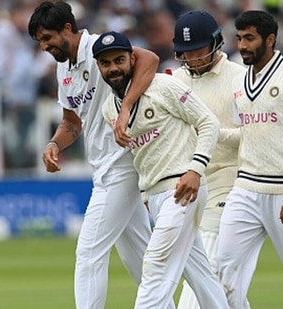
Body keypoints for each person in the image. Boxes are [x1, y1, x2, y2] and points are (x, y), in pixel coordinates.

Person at [27, 2, 157, 308]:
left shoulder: (99, 47)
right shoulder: (64, 68)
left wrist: (125, 109)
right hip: (103, 166)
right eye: (40, 42)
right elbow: (72, 122)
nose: (44, 47)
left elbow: (149, 59)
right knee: (141, 261)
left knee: (88, 252)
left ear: (68, 29)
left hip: (121, 164)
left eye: (47, 38)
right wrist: (54, 144)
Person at [94, 30, 228, 309]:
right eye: (106, 64)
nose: (113, 68)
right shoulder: (110, 108)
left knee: (155, 267)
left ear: (132, 58)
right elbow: (140, 155)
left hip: (182, 187)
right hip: (155, 196)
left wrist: (195, 169)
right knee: (201, 276)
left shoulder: (163, 86)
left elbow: (208, 123)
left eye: (119, 60)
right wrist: (145, 197)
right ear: (99, 67)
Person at [215, 10, 283, 309]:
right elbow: (247, 134)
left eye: (250, 38)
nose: (243, 45)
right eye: (239, 38)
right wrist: (211, 134)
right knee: (223, 272)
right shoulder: (238, 80)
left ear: (270, 39)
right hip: (246, 188)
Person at [170, 10, 246, 309]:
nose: (192, 59)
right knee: (222, 286)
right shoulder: (174, 81)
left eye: (198, 50)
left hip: (230, 179)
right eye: (185, 53)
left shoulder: (241, 78)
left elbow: (253, 137)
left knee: (209, 265)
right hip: (187, 182)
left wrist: (209, 132)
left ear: (216, 43)